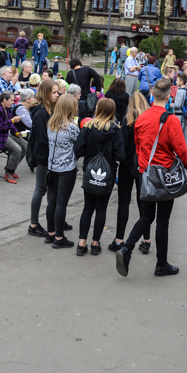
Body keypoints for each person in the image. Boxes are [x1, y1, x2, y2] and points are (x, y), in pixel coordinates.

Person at [116, 78, 187, 278]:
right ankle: (161, 264)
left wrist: (143, 167)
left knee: (146, 216)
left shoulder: (141, 118)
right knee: (162, 221)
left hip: (147, 173)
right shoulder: (171, 120)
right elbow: (181, 151)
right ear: (170, 94)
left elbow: (138, 146)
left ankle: (127, 248)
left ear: (152, 94)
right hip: (166, 175)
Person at [74, 98, 125, 256]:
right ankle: (95, 243)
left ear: (98, 110)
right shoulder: (116, 130)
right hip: (108, 172)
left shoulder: (88, 127)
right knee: (101, 208)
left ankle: (82, 243)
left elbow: (78, 150)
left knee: (88, 207)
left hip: (90, 170)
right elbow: (120, 155)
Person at [110, 92, 152, 253]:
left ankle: (119, 238)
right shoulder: (148, 120)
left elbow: (122, 145)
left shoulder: (128, 120)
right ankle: (146, 239)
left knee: (124, 202)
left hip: (127, 163)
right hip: (144, 164)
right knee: (144, 204)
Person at [46, 94, 81, 248]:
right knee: (61, 203)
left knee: (52, 201)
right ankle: (59, 238)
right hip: (67, 168)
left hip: (52, 166)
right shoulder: (72, 127)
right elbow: (79, 144)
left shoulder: (51, 124)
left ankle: (51, 233)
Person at [26, 80, 59, 237]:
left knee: (52, 189)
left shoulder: (49, 109)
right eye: (54, 92)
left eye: (57, 92)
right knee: (40, 189)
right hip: (43, 156)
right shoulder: (40, 113)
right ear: (46, 93)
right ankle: (33, 224)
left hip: (50, 155)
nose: (57, 95)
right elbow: (43, 138)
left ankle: (54, 220)